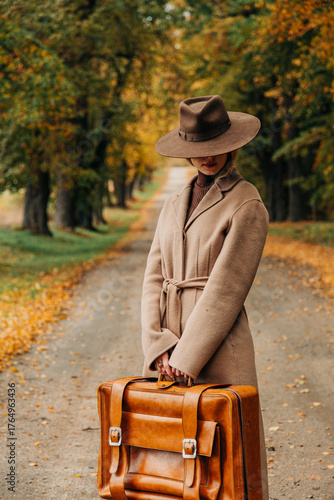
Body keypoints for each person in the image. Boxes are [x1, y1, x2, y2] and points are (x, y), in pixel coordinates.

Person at [141, 95, 269, 499]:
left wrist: (186, 358)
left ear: (231, 145)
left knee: (228, 467)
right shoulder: (173, 203)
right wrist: (158, 346)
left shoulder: (247, 202)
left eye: (216, 148)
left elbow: (227, 288)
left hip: (218, 349)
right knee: (172, 467)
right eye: (199, 150)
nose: (208, 158)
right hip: (168, 352)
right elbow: (152, 277)